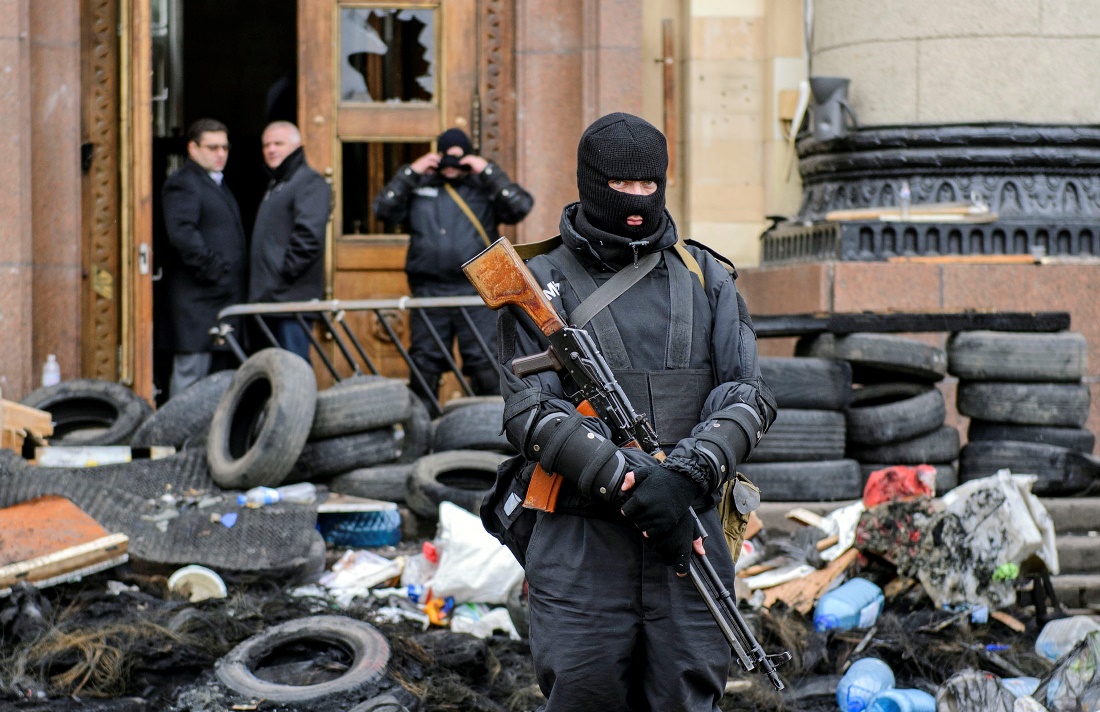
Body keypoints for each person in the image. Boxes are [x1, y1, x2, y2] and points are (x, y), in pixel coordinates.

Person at [493, 113, 777, 711]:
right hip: (580, 543)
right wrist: (622, 473)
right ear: (591, 183)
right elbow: (529, 414)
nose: (639, 200)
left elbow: (748, 396)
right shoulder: (534, 283)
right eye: (623, 187)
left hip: (688, 534)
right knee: (583, 696)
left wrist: (690, 474)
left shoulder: (708, 278)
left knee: (687, 697)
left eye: (651, 186)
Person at [372, 128, 533, 408]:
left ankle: (489, 432)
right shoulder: (420, 186)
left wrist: (487, 171)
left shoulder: (482, 188)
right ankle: (423, 433)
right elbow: (383, 210)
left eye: (459, 160)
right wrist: (411, 172)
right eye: (447, 159)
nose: (452, 166)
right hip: (429, 290)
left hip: (475, 291)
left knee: (484, 361)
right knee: (425, 363)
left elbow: (519, 206)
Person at [161, 118, 247, 397]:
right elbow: (183, 235)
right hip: (197, 301)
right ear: (193, 148)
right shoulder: (184, 183)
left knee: (217, 380)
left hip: (219, 299)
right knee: (191, 376)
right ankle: (177, 439)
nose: (221, 154)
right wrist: (215, 271)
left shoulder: (215, 183)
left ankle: (206, 440)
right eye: (212, 147)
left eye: (224, 147)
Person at [248, 121, 332, 361]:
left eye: (278, 143)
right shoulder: (278, 183)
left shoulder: (309, 182)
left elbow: (308, 237)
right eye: (266, 145)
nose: (271, 149)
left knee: (294, 370)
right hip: (273, 299)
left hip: (291, 300)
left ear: (296, 146)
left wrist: (283, 275)